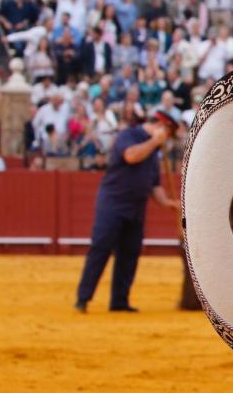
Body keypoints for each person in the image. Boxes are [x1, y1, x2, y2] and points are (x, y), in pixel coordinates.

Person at [74, 109, 182, 313]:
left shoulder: (154, 153)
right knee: (101, 248)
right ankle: (83, 298)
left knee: (130, 253)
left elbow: (154, 185)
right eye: (168, 134)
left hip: (136, 206)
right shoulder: (129, 135)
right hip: (113, 203)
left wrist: (167, 203)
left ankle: (119, 301)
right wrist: (154, 143)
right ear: (161, 127)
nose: (167, 140)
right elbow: (131, 156)